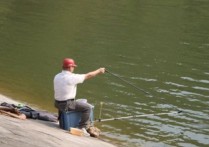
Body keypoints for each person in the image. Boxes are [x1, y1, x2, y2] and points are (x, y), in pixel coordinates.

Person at [53, 58, 105, 136]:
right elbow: (89, 75)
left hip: (57, 103)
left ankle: (62, 121)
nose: (73, 68)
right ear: (70, 67)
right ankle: (82, 128)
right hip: (66, 104)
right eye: (73, 66)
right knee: (88, 108)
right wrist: (99, 71)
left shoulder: (57, 76)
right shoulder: (71, 77)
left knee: (78, 103)